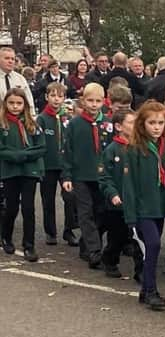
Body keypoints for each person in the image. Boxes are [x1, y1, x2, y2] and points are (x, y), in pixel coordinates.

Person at [122, 101, 165, 311]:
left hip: (160, 207)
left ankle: (145, 291)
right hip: (142, 208)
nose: (156, 127)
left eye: (161, 123)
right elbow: (129, 185)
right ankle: (151, 290)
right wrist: (130, 215)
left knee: (151, 249)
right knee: (153, 245)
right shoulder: (134, 149)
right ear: (142, 124)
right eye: (151, 123)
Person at [62, 82, 114, 269]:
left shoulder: (108, 123)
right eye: (90, 100)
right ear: (83, 101)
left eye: (98, 101)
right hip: (81, 175)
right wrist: (67, 176)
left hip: (102, 177)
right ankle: (94, 251)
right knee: (85, 212)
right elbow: (67, 151)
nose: (93, 104)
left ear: (104, 101)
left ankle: (87, 244)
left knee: (101, 213)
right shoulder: (74, 124)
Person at [0, 88, 46, 262]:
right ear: (6, 104)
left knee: (29, 209)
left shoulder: (32, 124)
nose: (15, 106)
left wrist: (25, 155)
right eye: (11, 103)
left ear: (25, 105)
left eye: (19, 103)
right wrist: (16, 155)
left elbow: (41, 147)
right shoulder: (2, 124)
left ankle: (29, 245)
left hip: (29, 171)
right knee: (11, 207)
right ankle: (6, 236)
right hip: (10, 171)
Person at [98, 107, 143, 280]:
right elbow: (104, 176)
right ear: (118, 126)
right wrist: (112, 194)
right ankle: (110, 259)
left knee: (137, 237)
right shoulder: (112, 149)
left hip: (136, 202)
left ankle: (140, 270)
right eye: (131, 123)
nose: (135, 126)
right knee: (117, 236)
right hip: (117, 203)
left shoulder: (140, 148)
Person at [37, 82, 79, 247]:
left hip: (65, 166)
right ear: (47, 97)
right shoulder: (41, 119)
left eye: (60, 96)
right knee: (48, 200)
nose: (56, 99)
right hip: (48, 165)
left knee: (70, 197)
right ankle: (50, 232)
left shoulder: (67, 118)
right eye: (53, 95)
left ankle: (69, 231)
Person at [0, 47, 36, 116]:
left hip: (18, 120)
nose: (10, 61)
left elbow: (29, 101)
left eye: (13, 59)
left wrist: (32, 116)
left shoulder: (20, 79)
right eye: (6, 58)